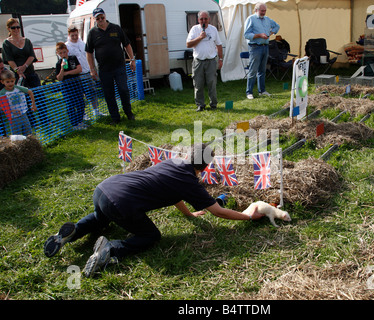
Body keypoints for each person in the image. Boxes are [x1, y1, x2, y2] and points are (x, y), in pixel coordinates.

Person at [44, 143, 264, 277]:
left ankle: (73, 231)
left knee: (101, 218)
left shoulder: (173, 163)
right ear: (206, 166)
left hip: (104, 189)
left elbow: (173, 194)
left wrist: (188, 213)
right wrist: (246, 216)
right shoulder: (189, 181)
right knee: (150, 235)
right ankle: (110, 250)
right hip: (122, 203)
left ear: (188, 155)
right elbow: (218, 211)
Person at [85, 8, 136, 125]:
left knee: (123, 90)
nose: (100, 20)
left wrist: (132, 59)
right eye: (98, 18)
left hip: (119, 67)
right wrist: (92, 69)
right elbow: (89, 52)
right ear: (95, 19)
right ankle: (115, 118)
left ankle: (129, 113)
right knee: (109, 94)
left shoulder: (116, 28)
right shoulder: (92, 33)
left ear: (105, 16)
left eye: (102, 17)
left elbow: (127, 44)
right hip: (104, 70)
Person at [2, 18, 48, 128]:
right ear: (9, 29)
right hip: (18, 77)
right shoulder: (6, 43)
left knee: (39, 96)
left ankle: (45, 121)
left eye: (18, 27)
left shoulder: (26, 41)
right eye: (13, 28)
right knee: (24, 100)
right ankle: (32, 124)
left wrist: (25, 66)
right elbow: (9, 59)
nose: (16, 29)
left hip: (31, 73)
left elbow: (32, 55)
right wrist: (18, 71)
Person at [186, 11, 223, 112]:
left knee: (212, 83)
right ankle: (200, 105)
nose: (203, 21)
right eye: (201, 19)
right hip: (198, 62)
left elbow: (219, 45)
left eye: (205, 19)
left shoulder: (213, 29)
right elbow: (188, 44)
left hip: (211, 61)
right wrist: (200, 37)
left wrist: (220, 59)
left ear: (209, 19)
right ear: (198, 20)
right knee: (198, 84)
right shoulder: (194, 29)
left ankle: (213, 104)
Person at [65, 25, 104, 119]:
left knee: (92, 92)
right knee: (79, 96)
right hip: (76, 75)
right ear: (69, 35)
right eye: (72, 35)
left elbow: (90, 56)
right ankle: (83, 114)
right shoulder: (67, 47)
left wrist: (92, 69)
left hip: (87, 73)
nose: (74, 37)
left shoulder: (83, 43)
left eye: (76, 35)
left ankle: (96, 111)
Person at [243, 2, 280, 100]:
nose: (263, 12)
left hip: (265, 46)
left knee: (262, 70)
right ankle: (249, 92)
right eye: (262, 11)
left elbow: (277, 26)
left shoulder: (267, 20)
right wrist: (259, 35)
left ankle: (262, 91)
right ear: (256, 10)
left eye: (265, 11)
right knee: (253, 71)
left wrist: (271, 32)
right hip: (255, 47)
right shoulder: (251, 19)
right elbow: (246, 34)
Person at [55, 42, 87, 131]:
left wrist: (67, 73)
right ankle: (74, 124)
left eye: (64, 52)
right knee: (70, 106)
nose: (63, 54)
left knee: (81, 104)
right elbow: (59, 78)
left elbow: (79, 69)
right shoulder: (58, 64)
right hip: (66, 88)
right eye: (60, 53)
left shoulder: (73, 58)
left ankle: (80, 121)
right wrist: (62, 69)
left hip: (76, 85)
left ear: (67, 51)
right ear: (58, 53)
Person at [0, 69, 37, 136]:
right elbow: (2, 106)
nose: (10, 83)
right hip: (13, 118)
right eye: (7, 82)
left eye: (12, 81)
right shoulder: (2, 93)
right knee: (16, 135)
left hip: (23, 114)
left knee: (28, 133)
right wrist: (11, 110)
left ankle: (29, 145)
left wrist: (33, 104)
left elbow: (30, 92)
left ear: (15, 80)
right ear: (2, 82)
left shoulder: (18, 88)